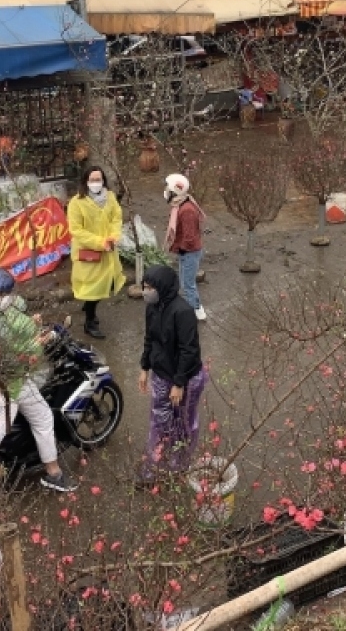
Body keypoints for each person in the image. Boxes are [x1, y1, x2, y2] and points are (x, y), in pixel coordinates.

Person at [0, 267, 76, 492]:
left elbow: (19, 310)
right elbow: (28, 349)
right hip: (10, 379)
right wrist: (47, 338)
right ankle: (54, 473)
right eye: (5, 294)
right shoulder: (7, 324)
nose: (8, 298)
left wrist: (30, 321)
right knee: (43, 416)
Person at [138, 265, 206, 481]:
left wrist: (179, 383)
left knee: (183, 421)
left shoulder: (183, 311)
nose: (146, 291)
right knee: (159, 419)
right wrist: (144, 368)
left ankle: (180, 463)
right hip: (161, 374)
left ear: (162, 287)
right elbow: (150, 339)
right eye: (144, 287)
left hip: (185, 377)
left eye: (150, 287)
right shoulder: (152, 308)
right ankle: (155, 463)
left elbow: (189, 350)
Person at [66, 167, 125, 339]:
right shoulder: (76, 203)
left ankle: (89, 307)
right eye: (92, 180)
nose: (96, 183)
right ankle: (89, 322)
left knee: (104, 285)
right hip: (89, 254)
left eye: (98, 179)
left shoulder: (110, 198)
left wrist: (114, 236)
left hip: (108, 251)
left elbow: (116, 218)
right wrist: (100, 242)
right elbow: (77, 230)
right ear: (85, 181)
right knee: (93, 288)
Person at [163, 173, 207, 321]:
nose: (166, 192)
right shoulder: (180, 204)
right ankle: (192, 308)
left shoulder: (186, 209)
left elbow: (190, 236)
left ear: (176, 190)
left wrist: (181, 248)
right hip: (187, 251)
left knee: (188, 284)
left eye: (168, 189)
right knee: (185, 282)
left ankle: (196, 310)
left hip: (190, 252)